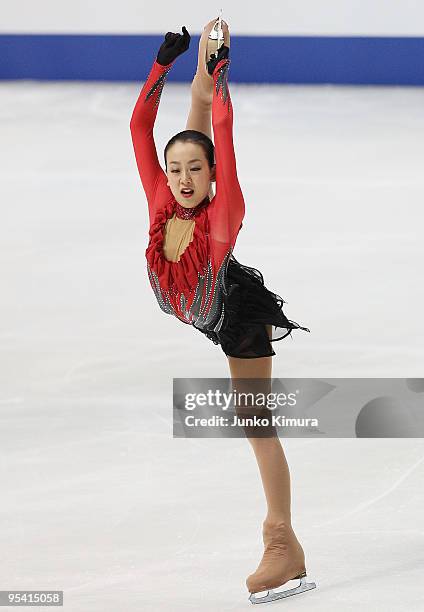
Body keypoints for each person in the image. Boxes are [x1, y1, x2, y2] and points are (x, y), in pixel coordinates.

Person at [130, 17, 316, 604]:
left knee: (255, 425)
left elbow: (223, 138)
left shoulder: (221, 217)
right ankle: (198, 78)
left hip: (235, 314)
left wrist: (223, 83)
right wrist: (162, 65)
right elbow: (140, 127)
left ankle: (282, 543)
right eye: (176, 168)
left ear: (212, 178)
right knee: (192, 126)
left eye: (196, 171)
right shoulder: (163, 196)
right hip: (204, 311)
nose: (184, 179)